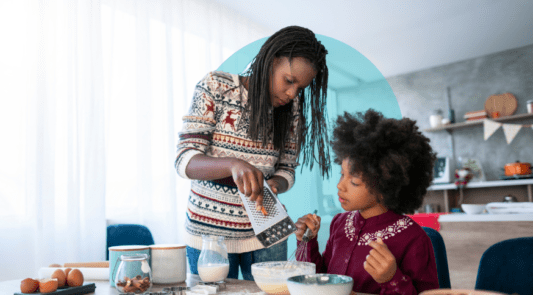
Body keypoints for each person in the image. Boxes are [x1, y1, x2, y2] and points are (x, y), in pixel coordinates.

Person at [175, 26, 331, 280]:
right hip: (211, 237)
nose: (293, 94)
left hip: (269, 232)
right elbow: (185, 160)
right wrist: (233, 164)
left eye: (300, 88)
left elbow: (287, 170)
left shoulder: (292, 111)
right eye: (289, 81)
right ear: (270, 62)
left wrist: (273, 185)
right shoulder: (215, 86)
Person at [295, 109, 439, 294]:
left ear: (384, 186)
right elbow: (322, 281)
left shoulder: (413, 239)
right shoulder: (339, 223)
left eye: (354, 181)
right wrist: (307, 242)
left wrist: (392, 279)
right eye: (342, 175)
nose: (340, 186)